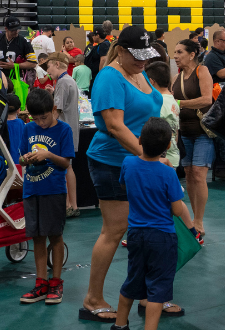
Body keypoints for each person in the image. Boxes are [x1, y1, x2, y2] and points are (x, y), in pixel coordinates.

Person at [81, 26, 164, 323]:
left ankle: (148, 294)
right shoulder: (110, 77)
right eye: (137, 55)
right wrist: (149, 156)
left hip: (141, 162)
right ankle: (92, 298)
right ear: (122, 50)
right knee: (114, 230)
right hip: (113, 162)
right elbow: (115, 126)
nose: (143, 61)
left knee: (145, 230)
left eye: (146, 55)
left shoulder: (139, 73)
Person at [113, 118, 197, 330]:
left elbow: (124, 186)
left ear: (140, 140)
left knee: (132, 281)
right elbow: (177, 210)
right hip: (162, 237)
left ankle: (120, 324)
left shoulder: (128, 163)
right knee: (157, 289)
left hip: (135, 234)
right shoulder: (168, 173)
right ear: (168, 146)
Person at [17, 89, 75, 306]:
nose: (40, 123)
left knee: (55, 235)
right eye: (36, 119)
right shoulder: (27, 128)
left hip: (53, 190)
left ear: (53, 109)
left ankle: (56, 282)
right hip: (31, 190)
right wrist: (26, 159)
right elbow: (20, 158)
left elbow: (66, 162)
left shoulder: (64, 129)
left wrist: (48, 155)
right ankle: (41, 283)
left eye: (44, 117)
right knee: (37, 237)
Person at [171, 39, 214, 237]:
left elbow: (206, 99)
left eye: (180, 52)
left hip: (203, 132)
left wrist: (180, 103)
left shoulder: (202, 72)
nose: (175, 56)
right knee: (188, 174)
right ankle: (194, 219)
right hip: (184, 132)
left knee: (198, 173)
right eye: (175, 52)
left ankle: (199, 220)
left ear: (192, 54)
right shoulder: (176, 77)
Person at [45, 52, 81, 216]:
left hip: (62, 132)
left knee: (63, 167)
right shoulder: (70, 80)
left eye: (49, 66)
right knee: (69, 166)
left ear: (57, 64)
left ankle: (66, 205)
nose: (48, 71)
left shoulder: (62, 82)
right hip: (71, 130)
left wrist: (45, 126)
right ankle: (73, 205)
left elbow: (56, 110)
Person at [145, 62, 180, 168]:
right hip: (173, 154)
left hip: (161, 158)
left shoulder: (159, 102)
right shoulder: (172, 100)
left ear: (151, 81)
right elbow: (176, 131)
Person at [5, 95, 24, 165]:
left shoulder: (1, 124)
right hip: (19, 161)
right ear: (18, 110)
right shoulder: (21, 123)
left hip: (5, 162)